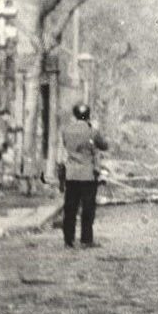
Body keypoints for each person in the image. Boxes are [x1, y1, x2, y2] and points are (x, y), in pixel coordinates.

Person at [60, 102, 109, 248]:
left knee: (70, 208)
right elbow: (104, 146)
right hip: (88, 175)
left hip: (71, 174)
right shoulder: (92, 131)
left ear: (75, 115)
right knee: (88, 208)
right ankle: (86, 240)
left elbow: (66, 145)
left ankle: (68, 240)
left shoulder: (66, 130)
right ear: (88, 115)